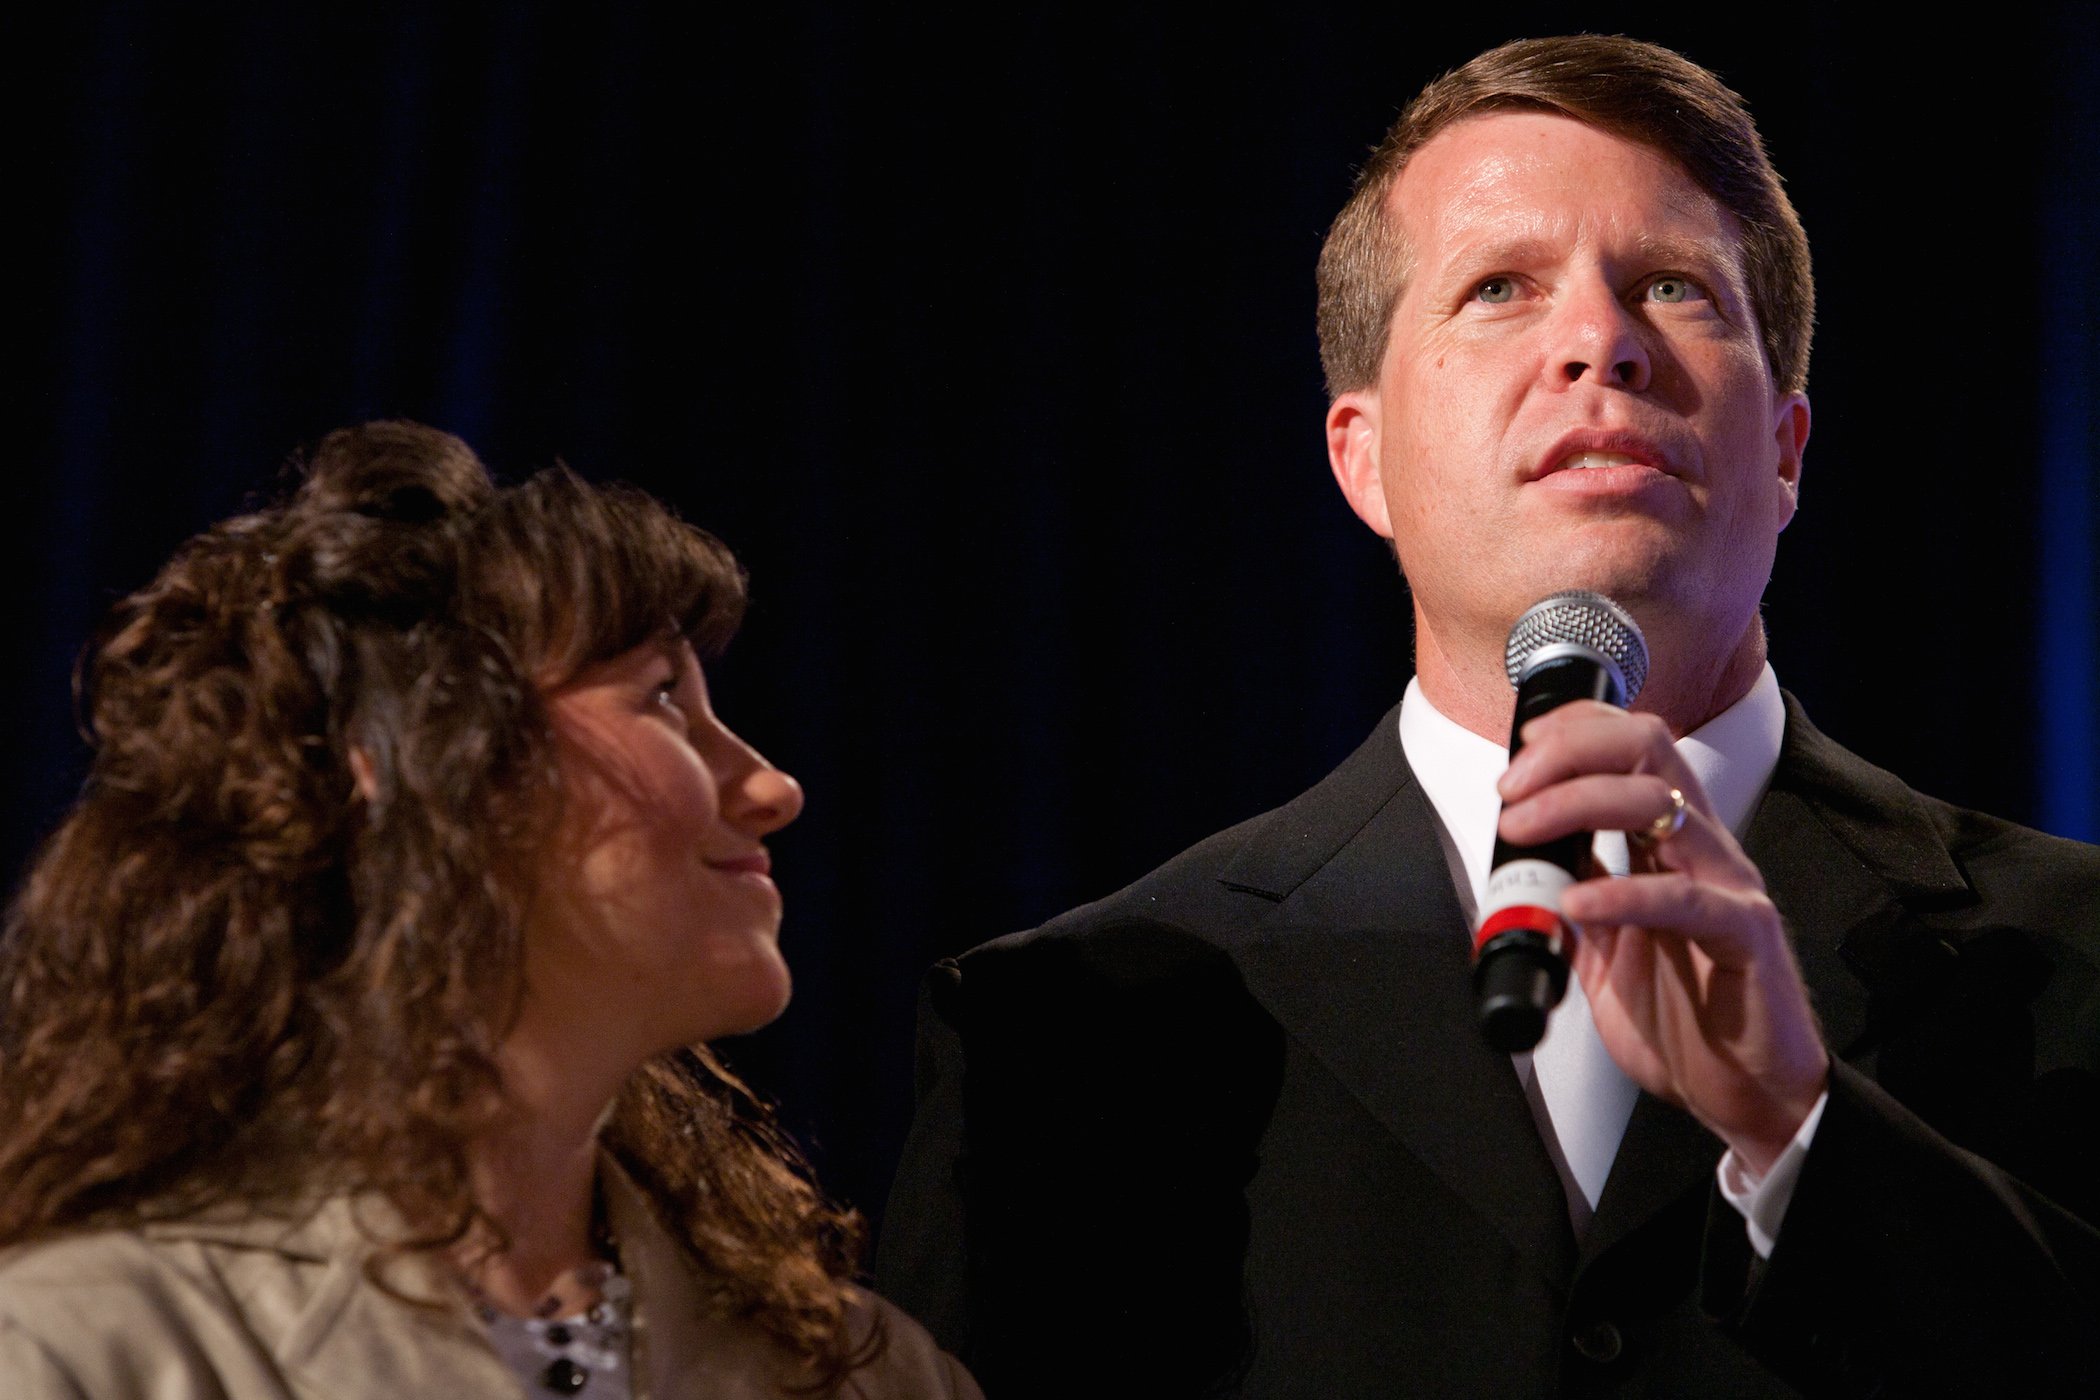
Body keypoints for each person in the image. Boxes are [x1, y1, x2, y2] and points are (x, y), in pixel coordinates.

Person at [877, 35, 2100, 1397]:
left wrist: (1803, 1135)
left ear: (1787, 451)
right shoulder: (1069, 1024)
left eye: (1675, 288)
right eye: (1501, 288)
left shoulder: (2078, 953)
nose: (1600, 342)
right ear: (1364, 457)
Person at [0, 421, 981, 1400]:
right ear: (415, 770)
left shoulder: (867, 1373)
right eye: (664, 698)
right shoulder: (90, 1351)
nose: (772, 787)